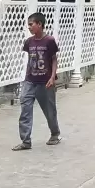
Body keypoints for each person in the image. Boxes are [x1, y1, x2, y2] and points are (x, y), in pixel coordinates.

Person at [13, 11, 60, 150]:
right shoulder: (29, 42)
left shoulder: (49, 41)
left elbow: (53, 59)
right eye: (28, 24)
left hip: (45, 82)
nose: (29, 27)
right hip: (30, 80)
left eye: (31, 24)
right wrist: (27, 76)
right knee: (25, 109)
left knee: (49, 110)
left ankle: (55, 133)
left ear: (39, 24)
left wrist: (52, 77)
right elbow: (30, 59)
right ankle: (26, 141)